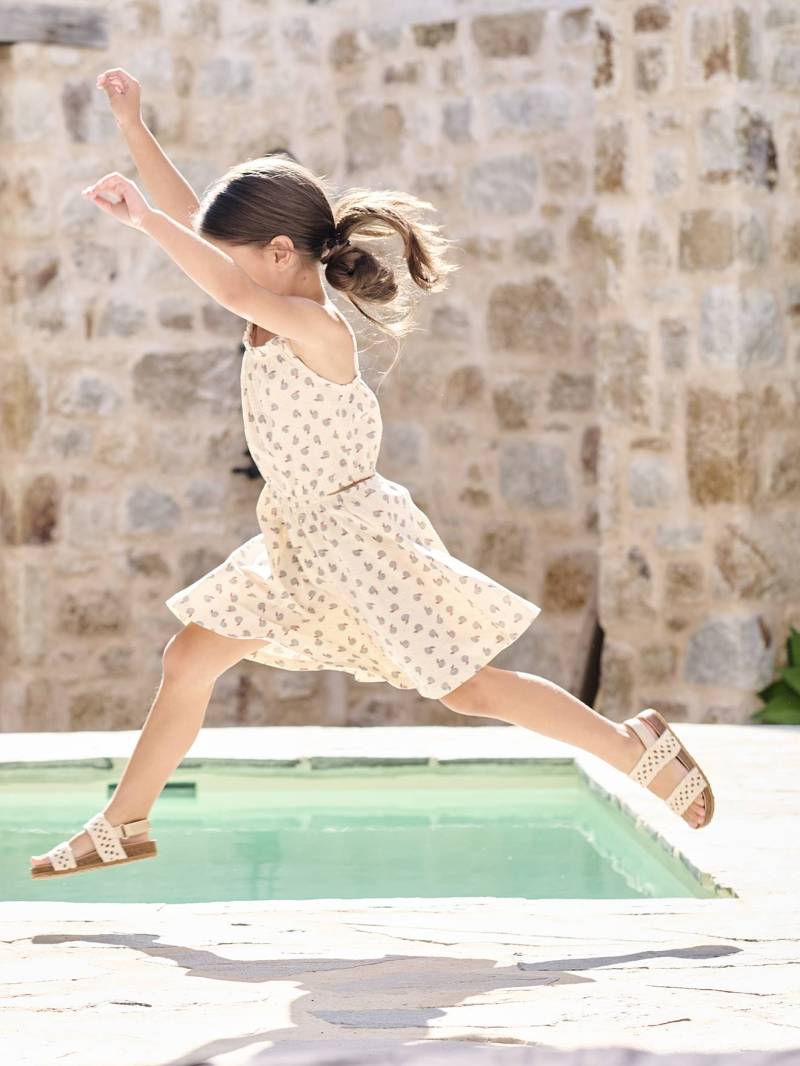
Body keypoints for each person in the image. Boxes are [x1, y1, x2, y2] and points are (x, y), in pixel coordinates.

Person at [30, 69, 713, 879]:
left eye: (236, 257)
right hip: (294, 539)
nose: (220, 268)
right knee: (190, 657)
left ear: (280, 254)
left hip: (356, 541)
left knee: (470, 689)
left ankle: (634, 748)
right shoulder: (266, 294)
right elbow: (199, 229)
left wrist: (142, 223)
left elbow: (208, 268)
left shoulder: (315, 329)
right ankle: (127, 821)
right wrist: (132, 124)